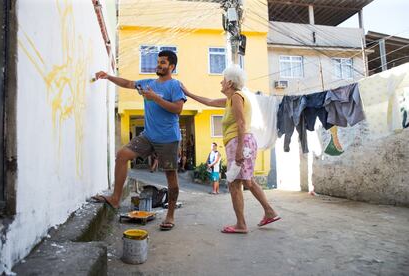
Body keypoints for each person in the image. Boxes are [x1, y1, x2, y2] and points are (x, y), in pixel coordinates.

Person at [93, 50, 186, 231]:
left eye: (163, 63)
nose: (158, 65)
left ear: (172, 66)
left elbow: (178, 109)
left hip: (168, 139)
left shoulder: (175, 86)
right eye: (158, 62)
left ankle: (170, 215)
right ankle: (115, 199)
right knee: (122, 155)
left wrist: (155, 98)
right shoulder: (147, 83)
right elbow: (128, 83)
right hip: (148, 135)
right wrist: (108, 76)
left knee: (170, 176)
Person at [181, 65, 280, 234]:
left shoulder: (236, 96)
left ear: (230, 83)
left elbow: (241, 123)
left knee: (235, 184)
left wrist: (240, 148)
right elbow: (210, 102)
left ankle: (241, 224)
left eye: (223, 79)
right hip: (242, 142)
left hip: (240, 143)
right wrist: (188, 93)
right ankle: (269, 211)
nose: (221, 82)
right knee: (247, 181)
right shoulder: (230, 100)